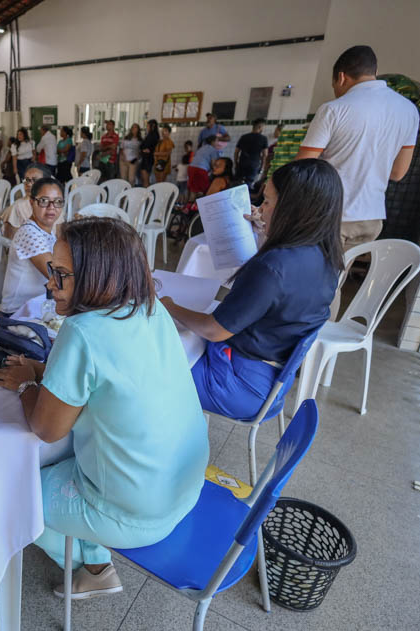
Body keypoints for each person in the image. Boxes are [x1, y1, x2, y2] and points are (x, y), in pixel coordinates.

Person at [0, 217, 209, 598]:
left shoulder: (83, 331)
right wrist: (46, 372)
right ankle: (90, 552)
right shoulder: (148, 307)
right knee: (59, 462)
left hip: (136, 513)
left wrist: (26, 382)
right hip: (184, 487)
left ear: (96, 275)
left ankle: (93, 566)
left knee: (10, 489)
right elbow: (116, 378)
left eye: (60, 275)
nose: (49, 283)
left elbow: (47, 429)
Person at [163, 159, 344, 420]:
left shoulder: (274, 267)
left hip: (240, 387)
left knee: (149, 365)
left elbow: (214, 330)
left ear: (292, 210)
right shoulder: (325, 258)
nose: (260, 210)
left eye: (268, 202)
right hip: (273, 382)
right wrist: (264, 238)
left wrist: (170, 306)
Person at [295, 45, 419, 250]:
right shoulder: (409, 110)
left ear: (341, 77)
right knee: (338, 276)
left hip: (331, 214)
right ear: (374, 73)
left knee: (316, 278)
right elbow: (398, 173)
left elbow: (303, 167)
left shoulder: (334, 109)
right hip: (372, 217)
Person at [1, 176, 62, 314]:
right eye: (44, 201)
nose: (51, 207)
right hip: (19, 313)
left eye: (58, 202)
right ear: (31, 202)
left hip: (39, 306)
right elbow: (57, 277)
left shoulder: (47, 232)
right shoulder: (29, 233)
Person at [0, 163, 60, 238]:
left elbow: (60, 236)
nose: (29, 184)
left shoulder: (55, 205)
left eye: (34, 180)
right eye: (27, 180)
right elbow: (11, 242)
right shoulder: (18, 207)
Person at [235, 118, 269, 189]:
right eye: (262, 127)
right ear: (260, 127)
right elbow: (265, 155)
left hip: (242, 163)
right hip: (254, 164)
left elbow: (236, 152)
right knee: (248, 185)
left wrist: (236, 163)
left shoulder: (244, 137)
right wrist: (262, 167)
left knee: (237, 183)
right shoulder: (263, 138)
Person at [138, 119, 159, 187]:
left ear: (152, 126)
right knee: (145, 179)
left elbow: (145, 148)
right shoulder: (153, 135)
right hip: (147, 159)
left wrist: (143, 150)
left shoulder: (152, 135)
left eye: (147, 125)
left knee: (145, 180)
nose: (146, 127)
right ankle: (146, 195)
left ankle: (147, 196)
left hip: (147, 159)